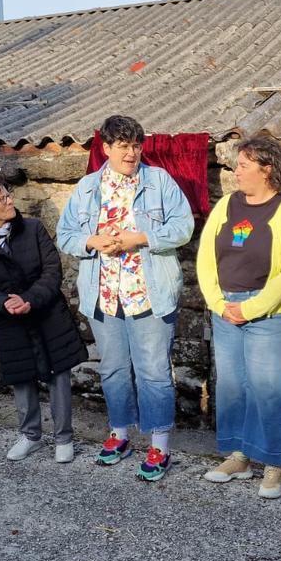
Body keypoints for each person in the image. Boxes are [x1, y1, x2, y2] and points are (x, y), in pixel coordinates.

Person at [56, 114, 194, 482]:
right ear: (106, 148)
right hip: (104, 295)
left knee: (154, 372)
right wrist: (91, 241)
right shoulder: (87, 187)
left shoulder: (159, 181)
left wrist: (141, 238)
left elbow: (183, 226)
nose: (131, 153)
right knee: (113, 369)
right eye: (123, 146)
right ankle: (120, 433)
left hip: (148, 293)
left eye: (136, 145)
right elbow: (65, 234)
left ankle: (159, 443)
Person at [196, 135, 281, 499]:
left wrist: (251, 308)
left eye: (244, 165)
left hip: (272, 313)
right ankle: (240, 456)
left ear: (267, 169)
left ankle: (274, 463)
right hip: (226, 307)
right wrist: (218, 302)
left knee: (269, 389)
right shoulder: (228, 204)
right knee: (232, 385)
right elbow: (205, 255)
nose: (236, 171)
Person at [0, 176, 89, 463]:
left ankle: (63, 437)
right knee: (21, 377)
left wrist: (30, 299)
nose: (10, 202)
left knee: (59, 374)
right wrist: (4, 303)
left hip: (47, 313)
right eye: (1, 199)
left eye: (9, 195)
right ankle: (30, 435)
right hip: (9, 320)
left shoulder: (33, 229)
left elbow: (52, 271)